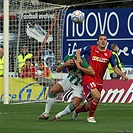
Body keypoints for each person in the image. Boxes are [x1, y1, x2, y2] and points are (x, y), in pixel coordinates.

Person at [73, 34, 129, 123]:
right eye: (101, 39)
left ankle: (77, 111)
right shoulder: (91, 48)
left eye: (105, 39)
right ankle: (90, 117)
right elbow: (78, 50)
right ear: (97, 41)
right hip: (89, 77)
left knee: (89, 106)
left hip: (99, 80)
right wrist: (79, 58)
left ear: (107, 42)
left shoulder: (109, 54)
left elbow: (115, 68)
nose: (103, 41)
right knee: (98, 96)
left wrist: (123, 75)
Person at [38, 54, 95, 121]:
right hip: (69, 80)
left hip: (80, 85)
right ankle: (46, 114)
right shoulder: (67, 59)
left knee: (75, 104)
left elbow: (92, 72)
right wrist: (64, 64)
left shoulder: (82, 61)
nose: (69, 67)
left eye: (71, 65)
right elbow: (57, 70)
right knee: (53, 91)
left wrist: (80, 67)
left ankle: (58, 116)